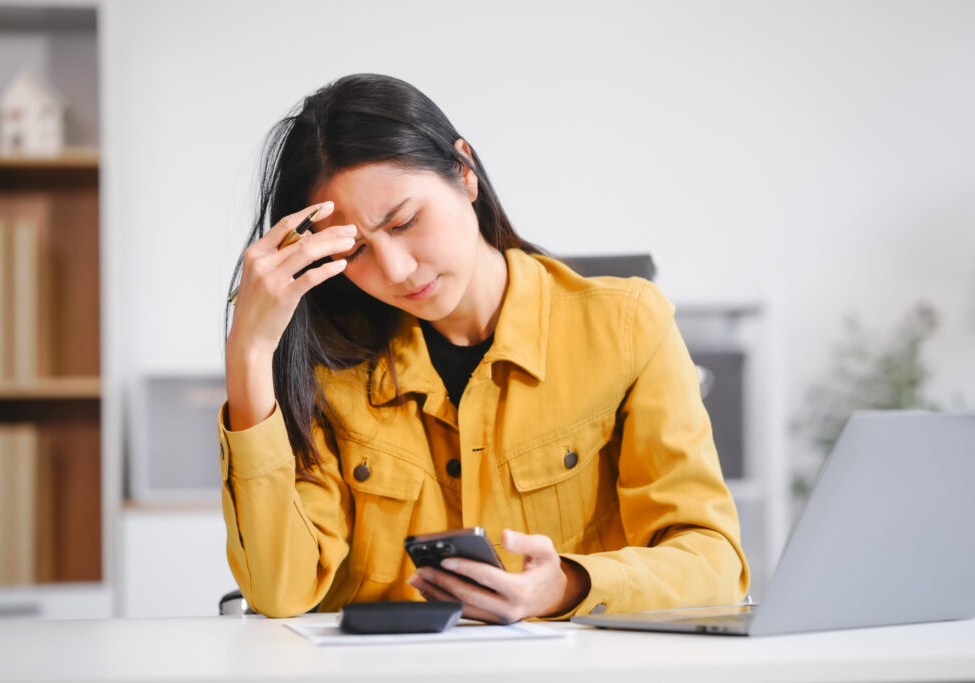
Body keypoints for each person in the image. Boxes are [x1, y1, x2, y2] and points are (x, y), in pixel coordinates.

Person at [220, 73, 749, 622]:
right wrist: (250, 355)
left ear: (465, 172)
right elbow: (279, 591)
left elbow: (714, 565)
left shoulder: (629, 325)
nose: (396, 270)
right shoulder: (332, 365)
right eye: (354, 254)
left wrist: (567, 586)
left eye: (405, 221)